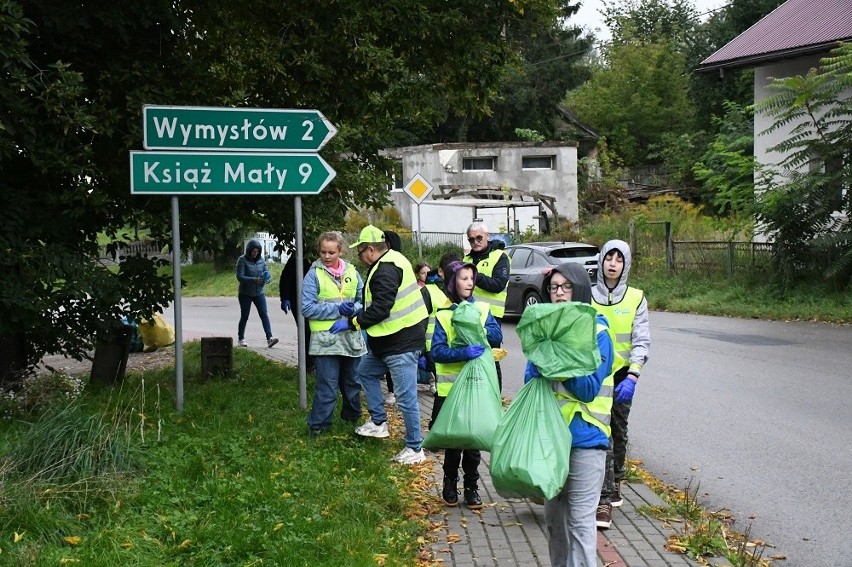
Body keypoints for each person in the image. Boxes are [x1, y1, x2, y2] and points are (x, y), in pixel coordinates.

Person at [525, 263, 615, 566]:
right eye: (554, 287)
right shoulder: (544, 331)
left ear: (579, 289)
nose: (559, 293)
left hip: (587, 441)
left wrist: (557, 357)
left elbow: (588, 389)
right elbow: (530, 381)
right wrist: (545, 360)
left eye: (565, 287)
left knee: (580, 521)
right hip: (552, 440)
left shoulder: (599, 332)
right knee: (554, 521)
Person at [329, 225, 429, 465]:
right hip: (389, 341)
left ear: (371, 250)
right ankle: (378, 422)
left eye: (361, 251)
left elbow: (381, 309)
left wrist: (352, 322)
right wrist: (359, 310)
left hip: (401, 343)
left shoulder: (385, 270)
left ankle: (415, 448)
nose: (360, 257)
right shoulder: (393, 260)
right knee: (365, 372)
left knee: (406, 398)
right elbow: (382, 304)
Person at [430, 261, 502, 509]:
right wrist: (462, 352)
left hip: (478, 387)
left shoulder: (482, 309)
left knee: (473, 442)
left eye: (472, 278)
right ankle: (450, 482)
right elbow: (437, 352)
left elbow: (497, 336)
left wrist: (477, 327)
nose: (469, 282)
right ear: (452, 283)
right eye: (463, 278)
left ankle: (472, 486)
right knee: (453, 442)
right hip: (450, 392)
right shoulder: (443, 315)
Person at [592, 239, 650, 529]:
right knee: (602, 432)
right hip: (595, 377)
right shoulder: (588, 295)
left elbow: (641, 339)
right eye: (608, 258)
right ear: (601, 261)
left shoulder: (636, 297)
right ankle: (603, 492)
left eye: (619, 259)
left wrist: (634, 373)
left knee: (618, 429)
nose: (613, 264)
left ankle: (616, 479)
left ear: (625, 264)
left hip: (622, 377)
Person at [300, 232, 366, 438]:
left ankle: (352, 421)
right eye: (323, 252)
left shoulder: (353, 272)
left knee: (352, 382)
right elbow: (307, 308)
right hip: (325, 339)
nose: (326, 256)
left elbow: (364, 300)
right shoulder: (313, 275)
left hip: (350, 336)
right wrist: (339, 309)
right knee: (327, 385)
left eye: (331, 252)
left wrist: (352, 311)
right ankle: (318, 427)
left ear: (341, 251)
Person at [463, 221, 510, 390]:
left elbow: (498, 284)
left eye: (479, 238)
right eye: (471, 239)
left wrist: (473, 275)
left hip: (490, 318)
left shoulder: (500, 257)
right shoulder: (467, 259)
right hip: (468, 315)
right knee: (471, 356)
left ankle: (495, 397)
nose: (475, 242)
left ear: (487, 237)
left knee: (491, 358)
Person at [235, 239, 278, 348]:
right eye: (253, 251)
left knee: (264, 314)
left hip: (259, 292)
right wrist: (254, 280)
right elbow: (240, 277)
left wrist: (267, 278)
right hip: (245, 293)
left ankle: (269, 338)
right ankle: (241, 338)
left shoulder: (261, 261)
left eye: (257, 251)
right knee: (245, 315)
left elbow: (265, 272)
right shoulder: (242, 260)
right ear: (249, 251)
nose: (255, 254)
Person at [280, 250, 313, 371]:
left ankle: (311, 364)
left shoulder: (316, 261)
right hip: (296, 301)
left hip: (313, 302)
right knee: (305, 332)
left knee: (310, 333)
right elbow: (285, 278)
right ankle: (308, 365)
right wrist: (285, 298)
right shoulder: (295, 259)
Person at [382, 230, 404, 406]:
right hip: (395, 325)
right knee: (368, 370)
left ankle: (394, 392)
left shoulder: (390, 265)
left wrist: (355, 322)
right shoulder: (399, 262)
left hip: (397, 325)